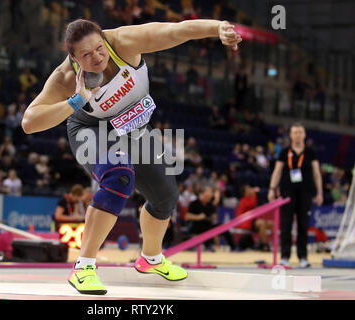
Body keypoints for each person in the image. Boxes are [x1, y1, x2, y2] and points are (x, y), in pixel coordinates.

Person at [22, 18, 241, 295]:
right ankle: (84, 267)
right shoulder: (65, 77)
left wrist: (216, 28)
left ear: (105, 39)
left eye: (99, 48)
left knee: (165, 197)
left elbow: (176, 31)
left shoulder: (124, 42)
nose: (97, 57)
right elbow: (29, 122)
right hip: (92, 129)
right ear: (73, 57)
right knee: (118, 175)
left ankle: (150, 259)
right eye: (86, 55)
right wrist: (74, 101)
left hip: (133, 128)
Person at [268, 123, 323, 268]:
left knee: (303, 224)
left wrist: (319, 193)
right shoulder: (285, 152)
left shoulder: (310, 152)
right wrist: (272, 188)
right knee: (285, 224)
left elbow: (317, 174)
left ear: (304, 135)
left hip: (305, 192)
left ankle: (303, 256)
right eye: (295, 132)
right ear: (291, 135)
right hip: (287, 192)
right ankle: (285, 255)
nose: (297, 135)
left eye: (300, 132)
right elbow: (277, 171)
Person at [185, 186, 235, 251]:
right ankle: (208, 246)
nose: (211, 195)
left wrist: (213, 217)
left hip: (208, 226)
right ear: (203, 194)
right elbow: (187, 216)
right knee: (208, 231)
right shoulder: (194, 203)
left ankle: (233, 247)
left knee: (223, 227)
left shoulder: (210, 204)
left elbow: (214, 218)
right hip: (197, 226)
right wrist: (198, 217)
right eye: (209, 192)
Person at [235, 185, 273, 251]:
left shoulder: (251, 198)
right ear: (245, 193)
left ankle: (272, 244)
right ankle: (264, 244)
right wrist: (255, 193)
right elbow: (252, 204)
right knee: (262, 224)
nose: (250, 190)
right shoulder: (243, 201)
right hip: (246, 223)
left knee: (272, 224)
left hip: (252, 221)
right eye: (248, 189)